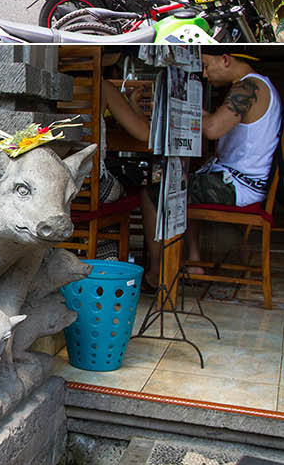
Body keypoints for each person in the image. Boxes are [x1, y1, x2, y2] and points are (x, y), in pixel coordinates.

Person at [103, 52, 282, 288]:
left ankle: (157, 272)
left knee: (154, 192)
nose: (205, 74)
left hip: (239, 186)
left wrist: (176, 108)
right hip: (241, 182)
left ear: (225, 59)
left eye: (207, 65)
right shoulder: (256, 85)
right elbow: (215, 120)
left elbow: (212, 129)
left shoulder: (248, 87)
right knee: (185, 181)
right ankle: (193, 262)